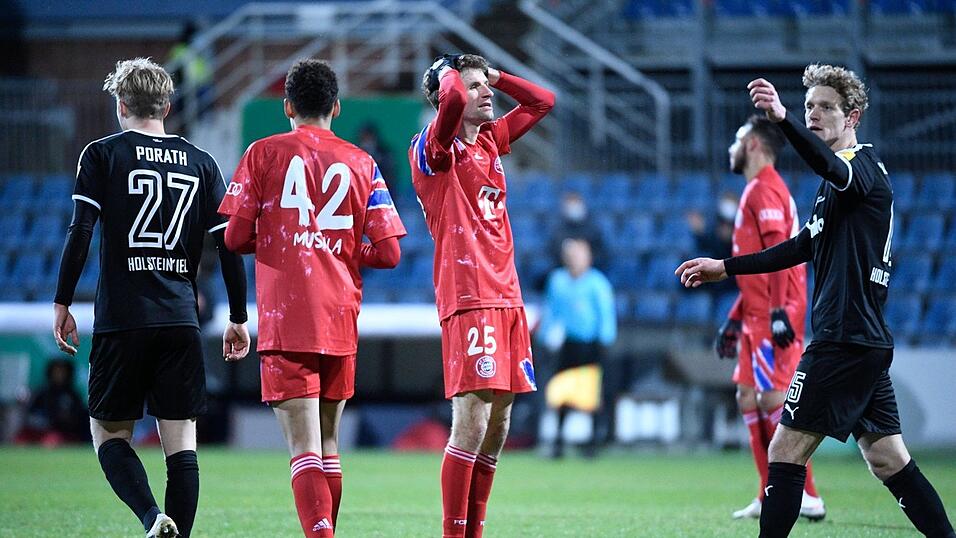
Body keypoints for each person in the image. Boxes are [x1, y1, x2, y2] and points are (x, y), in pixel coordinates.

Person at [676, 64, 955, 538]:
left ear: (854, 116)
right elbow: (801, 246)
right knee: (888, 459)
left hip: (842, 340)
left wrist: (782, 118)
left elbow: (830, 167)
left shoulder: (859, 168)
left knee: (784, 451)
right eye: (809, 106)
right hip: (861, 339)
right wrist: (726, 266)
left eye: (825, 106)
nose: (813, 114)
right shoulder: (836, 185)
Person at [52, 57, 250, 538]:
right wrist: (238, 315)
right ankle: (175, 530)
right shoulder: (202, 162)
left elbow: (81, 231)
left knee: (108, 433)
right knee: (181, 443)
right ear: (167, 105)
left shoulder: (101, 154)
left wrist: (62, 302)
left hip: (123, 317)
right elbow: (227, 246)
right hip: (180, 318)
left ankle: (150, 517)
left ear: (121, 105)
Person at [219, 58, 406, 538]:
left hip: (289, 316)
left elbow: (234, 237)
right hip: (339, 314)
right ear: (337, 107)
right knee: (328, 445)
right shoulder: (363, 162)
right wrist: (340, 246)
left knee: (303, 449)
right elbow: (388, 253)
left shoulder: (263, 152)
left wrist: (284, 235)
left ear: (287, 106)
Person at [409, 53, 554, 538]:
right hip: (469, 294)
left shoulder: (491, 139)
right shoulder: (433, 148)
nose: (486, 93)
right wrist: (448, 73)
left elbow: (543, 101)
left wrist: (496, 75)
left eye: (485, 85)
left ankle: (475, 531)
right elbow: (447, 97)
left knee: (499, 426)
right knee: (470, 425)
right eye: (475, 87)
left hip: (508, 296)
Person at [718, 114, 824, 521]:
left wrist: (780, 310)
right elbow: (755, 269)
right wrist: (734, 317)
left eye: (738, 138)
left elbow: (780, 258)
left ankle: (807, 495)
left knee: (773, 398)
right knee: (748, 396)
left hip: (774, 313)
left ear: (755, 146)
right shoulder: (755, 190)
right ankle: (768, 494)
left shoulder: (765, 191)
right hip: (756, 312)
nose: (733, 146)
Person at [539, 238, 616, 459]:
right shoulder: (557, 281)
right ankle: (558, 441)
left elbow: (605, 314)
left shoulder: (597, 283)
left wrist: (605, 340)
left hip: (590, 345)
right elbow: (551, 311)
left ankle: (592, 442)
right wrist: (546, 337)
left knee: (590, 394)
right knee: (562, 392)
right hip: (567, 345)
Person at [14, 358, 88, 446]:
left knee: (52, 440)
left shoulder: (73, 395)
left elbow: (78, 419)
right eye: (56, 371)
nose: (59, 375)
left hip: (60, 433)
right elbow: (30, 414)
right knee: (20, 440)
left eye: (62, 372)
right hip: (38, 431)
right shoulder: (42, 393)